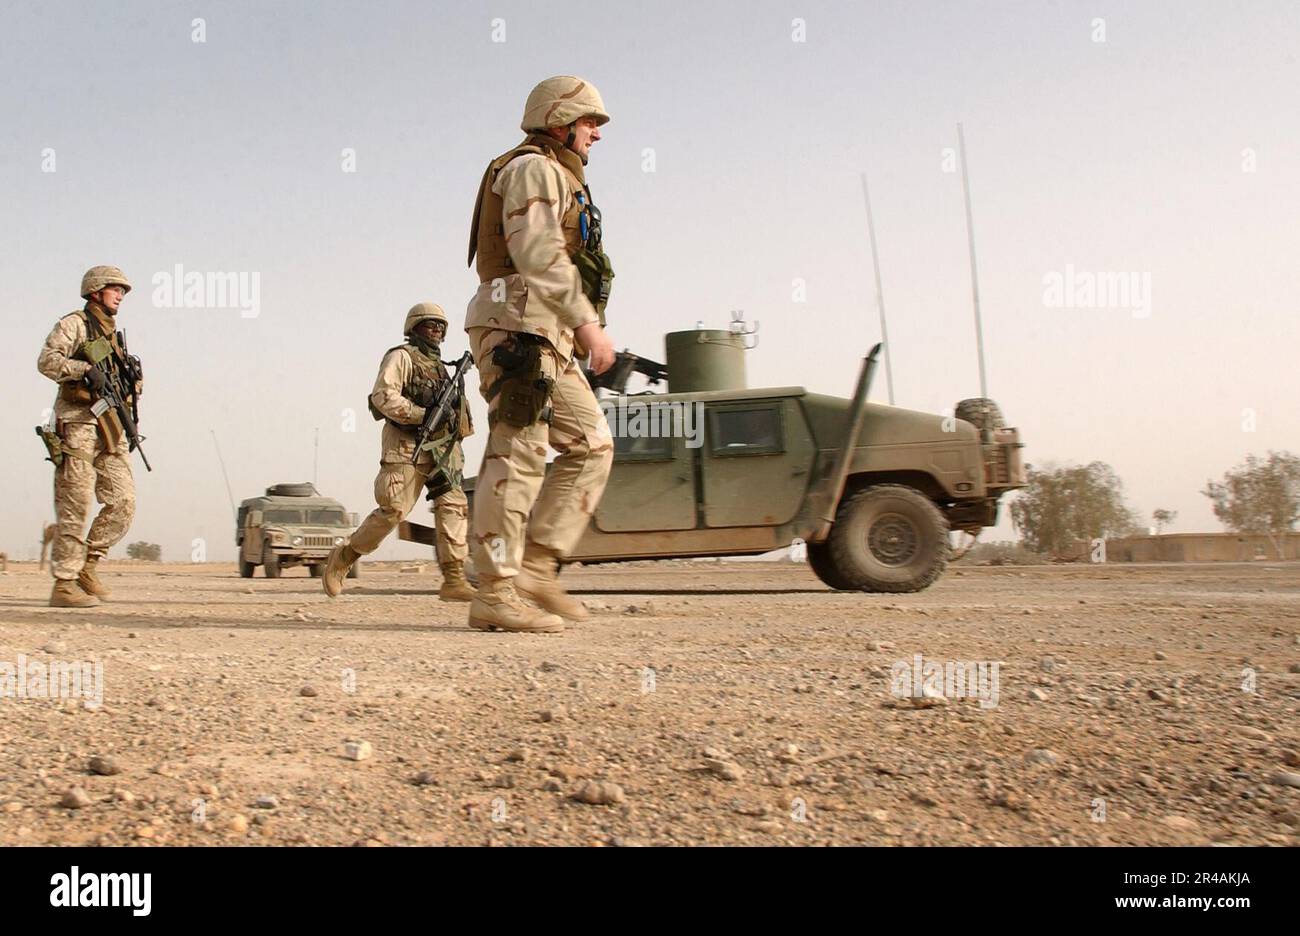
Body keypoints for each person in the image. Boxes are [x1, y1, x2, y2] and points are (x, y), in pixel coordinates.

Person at [463, 75, 619, 634]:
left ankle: (537, 566)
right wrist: (588, 325)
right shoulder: (533, 168)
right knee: (518, 451)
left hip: (544, 330)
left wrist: (575, 329)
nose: (596, 135)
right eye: (589, 123)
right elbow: (538, 253)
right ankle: (496, 591)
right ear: (559, 121)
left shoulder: (560, 176)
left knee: (592, 444)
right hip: (514, 327)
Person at [322, 303, 474, 601]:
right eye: (430, 324)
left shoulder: (445, 370)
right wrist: (421, 414)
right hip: (407, 446)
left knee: (453, 508)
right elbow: (383, 396)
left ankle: (454, 579)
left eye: (441, 326)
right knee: (393, 511)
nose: (437, 330)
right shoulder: (401, 357)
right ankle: (344, 557)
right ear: (414, 327)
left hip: (443, 453)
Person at [36, 266, 140, 608]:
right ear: (96, 291)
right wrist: (84, 370)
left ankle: (88, 566)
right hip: (77, 426)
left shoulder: (113, 337)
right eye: (115, 289)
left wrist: (133, 382)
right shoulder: (75, 324)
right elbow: (47, 362)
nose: (121, 295)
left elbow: (121, 385)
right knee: (75, 503)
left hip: (109, 428)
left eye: (123, 291)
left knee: (123, 501)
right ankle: (64, 583)